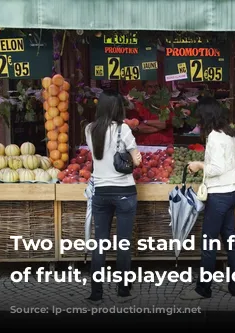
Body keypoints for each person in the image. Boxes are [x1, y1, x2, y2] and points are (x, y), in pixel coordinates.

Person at [180, 97, 235, 300]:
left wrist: (198, 165)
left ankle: (203, 289)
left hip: (218, 196)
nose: (197, 122)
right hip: (231, 192)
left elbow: (217, 168)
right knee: (230, 240)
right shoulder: (228, 134)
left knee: (208, 243)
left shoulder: (215, 137)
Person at [85, 91, 142, 301]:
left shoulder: (89, 129)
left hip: (100, 191)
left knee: (99, 243)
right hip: (124, 192)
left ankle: (96, 292)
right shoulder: (123, 128)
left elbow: (99, 156)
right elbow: (136, 160)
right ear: (118, 108)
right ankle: (123, 289)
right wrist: (134, 156)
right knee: (123, 243)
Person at [128, 81, 174, 145]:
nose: (154, 89)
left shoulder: (166, 105)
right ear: (144, 88)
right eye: (150, 87)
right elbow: (135, 127)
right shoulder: (137, 106)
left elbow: (166, 123)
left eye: (156, 87)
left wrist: (145, 122)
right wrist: (159, 126)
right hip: (143, 145)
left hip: (165, 144)